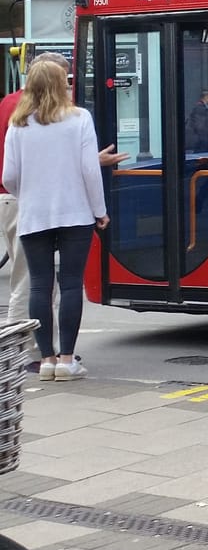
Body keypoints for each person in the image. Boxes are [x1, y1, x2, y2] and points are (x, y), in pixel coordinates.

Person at [0, 53, 123, 367]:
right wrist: (100, 211)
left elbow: (9, 177)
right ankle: (68, 360)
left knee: (38, 285)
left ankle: (46, 360)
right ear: (60, 84)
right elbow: (89, 171)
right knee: (70, 284)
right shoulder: (79, 118)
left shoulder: (18, 123)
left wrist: (28, 196)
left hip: (33, 213)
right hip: (74, 213)